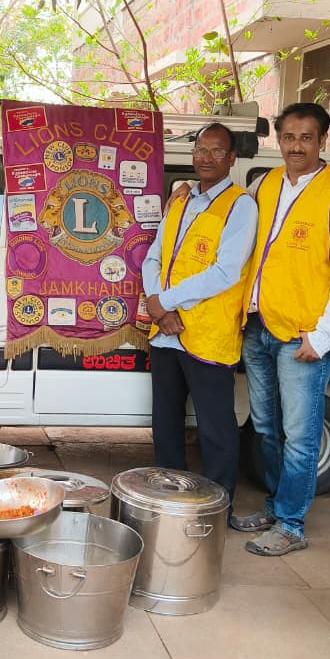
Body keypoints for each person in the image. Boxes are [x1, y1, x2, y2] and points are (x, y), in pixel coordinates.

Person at [231, 101, 330, 556]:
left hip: (302, 336)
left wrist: (325, 335)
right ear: (279, 139)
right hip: (259, 327)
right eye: (288, 137)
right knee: (267, 429)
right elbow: (237, 236)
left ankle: (291, 525)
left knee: (300, 434)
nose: (296, 146)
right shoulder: (267, 183)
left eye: (306, 138)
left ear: (322, 141)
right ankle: (276, 507)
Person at [142, 123, 257, 502]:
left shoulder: (240, 206)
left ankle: (215, 508)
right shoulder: (181, 199)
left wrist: (167, 301)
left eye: (216, 151)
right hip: (166, 332)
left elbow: (226, 271)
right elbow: (154, 256)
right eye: (200, 150)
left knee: (216, 430)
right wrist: (159, 308)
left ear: (232, 158)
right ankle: (170, 502)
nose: (206, 158)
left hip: (208, 336)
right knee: (166, 424)